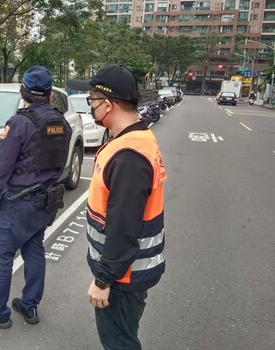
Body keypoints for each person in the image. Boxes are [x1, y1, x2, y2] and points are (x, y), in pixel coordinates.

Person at [66, 64, 167, 349]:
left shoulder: (128, 156)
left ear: (108, 105)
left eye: (92, 101)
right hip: (128, 270)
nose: (90, 108)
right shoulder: (134, 139)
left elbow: (123, 226)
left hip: (124, 276)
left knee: (119, 342)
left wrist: (103, 280)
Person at [0, 66, 72, 329]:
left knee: (1, 255)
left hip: (18, 202)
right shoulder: (62, 123)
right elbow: (61, 164)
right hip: (46, 201)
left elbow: (0, 170)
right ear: (49, 94)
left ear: (23, 91)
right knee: (34, 249)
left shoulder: (19, 123)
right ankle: (29, 304)